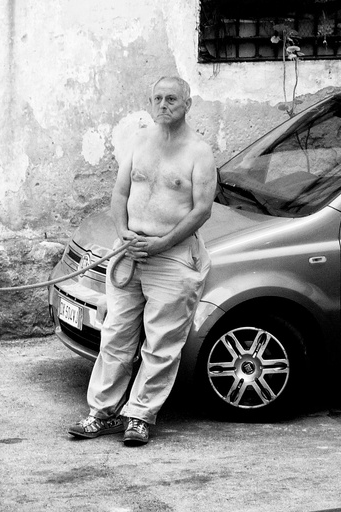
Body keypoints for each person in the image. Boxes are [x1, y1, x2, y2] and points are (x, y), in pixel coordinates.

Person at [68, 75, 216, 446]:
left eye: (171, 99)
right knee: (115, 336)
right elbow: (119, 194)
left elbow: (201, 210)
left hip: (173, 257)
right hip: (130, 253)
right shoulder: (138, 143)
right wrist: (124, 231)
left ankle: (139, 416)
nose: (163, 105)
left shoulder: (198, 152)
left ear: (187, 104)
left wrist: (162, 242)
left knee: (161, 342)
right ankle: (101, 413)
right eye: (157, 99)